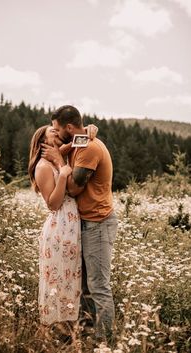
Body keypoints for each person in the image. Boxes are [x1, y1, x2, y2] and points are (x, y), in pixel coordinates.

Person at [41, 105, 118, 345]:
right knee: (84, 286)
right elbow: (71, 147)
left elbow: (74, 188)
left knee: (98, 286)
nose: (55, 132)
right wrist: (60, 152)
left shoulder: (89, 148)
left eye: (57, 128)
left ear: (70, 127)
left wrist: (57, 159)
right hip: (85, 223)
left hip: (98, 223)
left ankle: (104, 342)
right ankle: (85, 336)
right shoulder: (80, 142)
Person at [28, 125, 82, 326]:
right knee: (57, 279)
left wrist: (92, 129)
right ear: (43, 142)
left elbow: (80, 138)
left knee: (69, 277)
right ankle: (53, 330)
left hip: (70, 225)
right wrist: (62, 174)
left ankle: (68, 329)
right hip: (59, 226)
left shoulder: (61, 156)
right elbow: (53, 203)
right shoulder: (42, 166)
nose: (58, 133)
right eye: (52, 132)